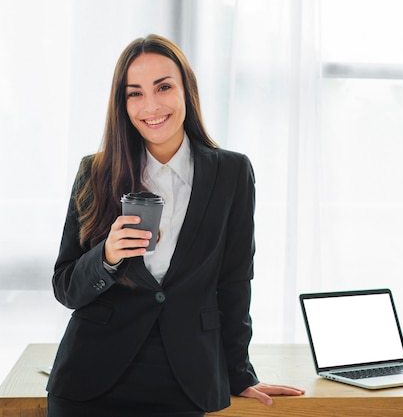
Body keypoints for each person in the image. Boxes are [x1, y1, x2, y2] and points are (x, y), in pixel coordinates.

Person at [46, 34, 304, 416]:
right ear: (123, 104)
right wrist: (107, 256)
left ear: (187, 90)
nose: (151, 105)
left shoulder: (231, 173)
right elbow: (65, 287)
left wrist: (240, 373)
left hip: (187, 380)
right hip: (91, 380)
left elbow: (234, 282)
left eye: (163, 87)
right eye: (135, 93)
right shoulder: (96, 172)